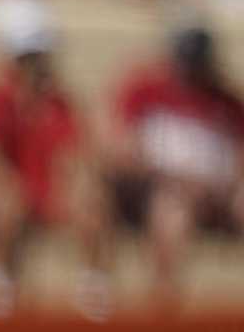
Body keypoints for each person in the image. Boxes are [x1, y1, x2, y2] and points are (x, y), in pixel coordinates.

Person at [0, 0, 108, 316]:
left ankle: (93, 290)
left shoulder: (59, 103)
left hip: (46, 194)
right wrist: (11, 192)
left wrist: (81, 190)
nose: (35, 64)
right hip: (7, 196)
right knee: (8, 205)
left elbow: (76, 156)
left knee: (92, 207)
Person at [104, 19, 244, 302]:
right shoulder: (146, 91)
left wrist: (223, 187)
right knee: (172, 212)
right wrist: (177, 181)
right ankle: (165, 303)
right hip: (163, 189)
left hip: (219, 193)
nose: (191, 70)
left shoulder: (226, 102)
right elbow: (122, 153)